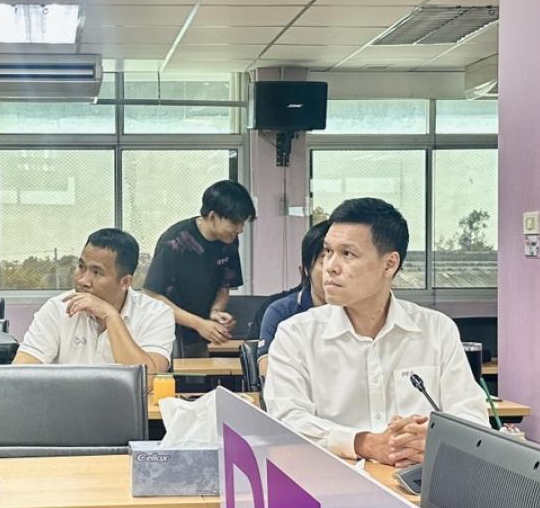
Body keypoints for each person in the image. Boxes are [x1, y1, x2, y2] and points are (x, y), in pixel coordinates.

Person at [264, 198, 486, 467]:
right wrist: (364, 443)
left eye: (348, 254)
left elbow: (473, 416)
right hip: (332, 482)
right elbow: (286, 421)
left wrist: (433, 440)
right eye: (328, 251)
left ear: (389, 264)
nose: (331, 266)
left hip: (419, 482)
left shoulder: (437, 330)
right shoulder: (295, 335)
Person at [16, 229, 177, 373]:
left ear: (125, 282)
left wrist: (111, 316)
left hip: (126, 399)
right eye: (81, 267)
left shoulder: (156, 314)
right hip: (67, 398)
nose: (83, 280)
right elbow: (19, 374)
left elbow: (147, 380)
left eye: (96, 272)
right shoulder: (57, 308)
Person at [142, 179, 256, 356]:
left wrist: (216, 312)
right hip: (166, 335)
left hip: (199, 337)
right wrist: (199, 324)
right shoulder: (175, 240)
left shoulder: (229, 242)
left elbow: (223, 287)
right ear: (212, 217)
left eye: (243, 223)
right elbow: (152, 295)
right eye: (235, 223)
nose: (240, 230)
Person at [256, 219, 330, 371]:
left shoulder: (358, 312)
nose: (334, 268)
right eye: (325, 260)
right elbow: (266, 370)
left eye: (347, 256)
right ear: (306, 269)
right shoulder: (282, 312)